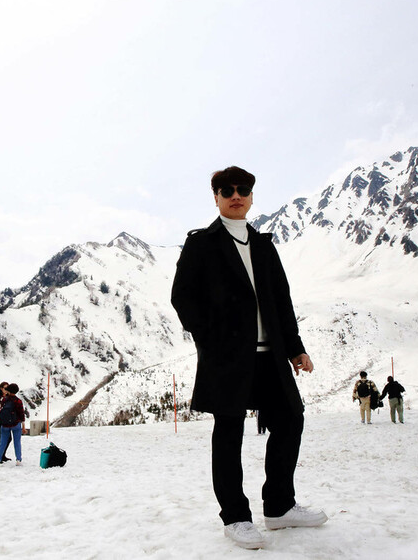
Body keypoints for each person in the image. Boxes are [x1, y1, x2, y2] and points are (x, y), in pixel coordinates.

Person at [171, 166, 327, 550]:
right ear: (217, 197)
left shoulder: (263, 245)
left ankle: (278, 507)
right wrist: (212, 339)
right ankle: (236, 517)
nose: (235, 195)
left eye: (243, 189)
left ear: (252, 196)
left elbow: (280, 302)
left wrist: (295, 348)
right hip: (228, 359)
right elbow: (182, 298)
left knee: (290, 421)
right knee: (229, 435)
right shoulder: (201, 244)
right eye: (227, 190)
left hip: (269, 357)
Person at [0, 383, 24, 467]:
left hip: (5, 424)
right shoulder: (18, 401)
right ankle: (18, 459)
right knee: (17, 442)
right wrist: (23, 424)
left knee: (2, 442)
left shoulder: (4, 400)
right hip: (16, 424)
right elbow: (21, 414)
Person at [0, 381, 12, 462]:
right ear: (1, 388)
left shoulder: (9, 397)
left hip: (6, 420)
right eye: (5, 388)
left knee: (8, 438)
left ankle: (2, 455)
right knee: (1, 439)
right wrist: (3, 404)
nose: (6, 390)